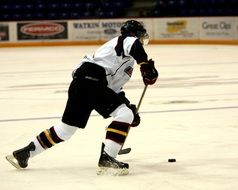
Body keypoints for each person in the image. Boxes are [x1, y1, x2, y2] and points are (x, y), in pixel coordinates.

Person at [6, 20, 158, 175]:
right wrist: (145, 66)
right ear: (136, 34)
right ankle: (108, 157)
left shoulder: (123, 60)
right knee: (123, 114)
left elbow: (114, 90)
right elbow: (134, 46)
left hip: (82, 83)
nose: (141, 40)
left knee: (65, 129)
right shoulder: (126, 40)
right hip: (92, 79)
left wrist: (130, 108)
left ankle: (24, 153)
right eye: (141, 36)